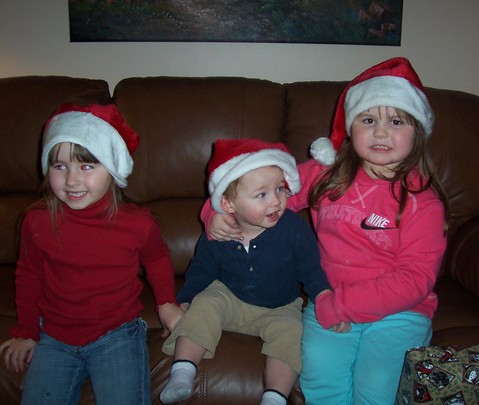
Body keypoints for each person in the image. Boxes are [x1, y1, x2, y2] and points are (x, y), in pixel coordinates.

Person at [203, 58, 450, 404]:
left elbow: (415, 279)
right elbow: (255, 193)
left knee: (377, 385)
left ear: (418, 131)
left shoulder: (422, 201)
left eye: (396, 121)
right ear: (350, 127)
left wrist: (342, 305)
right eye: (368, 120)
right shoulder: (325, 173)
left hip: (399, 311)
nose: (380, 133)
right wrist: (216, 214)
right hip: (329, 299)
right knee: (320, 377)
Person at [0, 104, 183, 405]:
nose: (71, 180)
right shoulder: (37, 221)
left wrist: (166, 303)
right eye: (60, 166)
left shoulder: (138, 223)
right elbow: (29, 274)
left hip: (117, 334)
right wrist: (27, 331)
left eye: (86, 166)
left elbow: (157, 258)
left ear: (112, 170)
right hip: (54, 337)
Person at [159, 138, 333, 405]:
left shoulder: (294, 229)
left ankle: (275, 397)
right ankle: (182, 374)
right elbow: (201, 270)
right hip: (230, 296)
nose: (276, 201)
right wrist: (184, 300)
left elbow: (311, 270)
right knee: (204, 305)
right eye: (261, 195)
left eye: (280, 189)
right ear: (229, 204)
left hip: (280, 307)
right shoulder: (219, 232)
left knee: (291, 332)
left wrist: (323, 296)